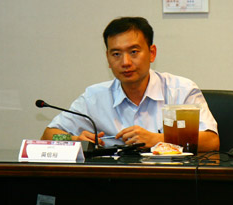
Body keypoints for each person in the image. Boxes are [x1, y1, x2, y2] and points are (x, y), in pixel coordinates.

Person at [41, 17, 220, 152]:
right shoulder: (94, 97)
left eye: (134, 52)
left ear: (152, 53)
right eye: (116, 54)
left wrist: (157, 139)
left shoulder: (181, 91)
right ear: (108, 58)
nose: (125, 62)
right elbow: (48, 136)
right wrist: (73, 139)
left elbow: (211, 141)